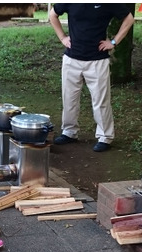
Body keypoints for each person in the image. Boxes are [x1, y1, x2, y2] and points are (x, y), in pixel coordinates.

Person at [48, 4, 134, 153]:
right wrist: (62, 37)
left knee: (100, 102)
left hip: (97, 61)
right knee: (69, 98)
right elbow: (52, 15)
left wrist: (113, 42)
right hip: (71, 59)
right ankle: (69, 132)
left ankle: (105, 137)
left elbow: (129, 18)